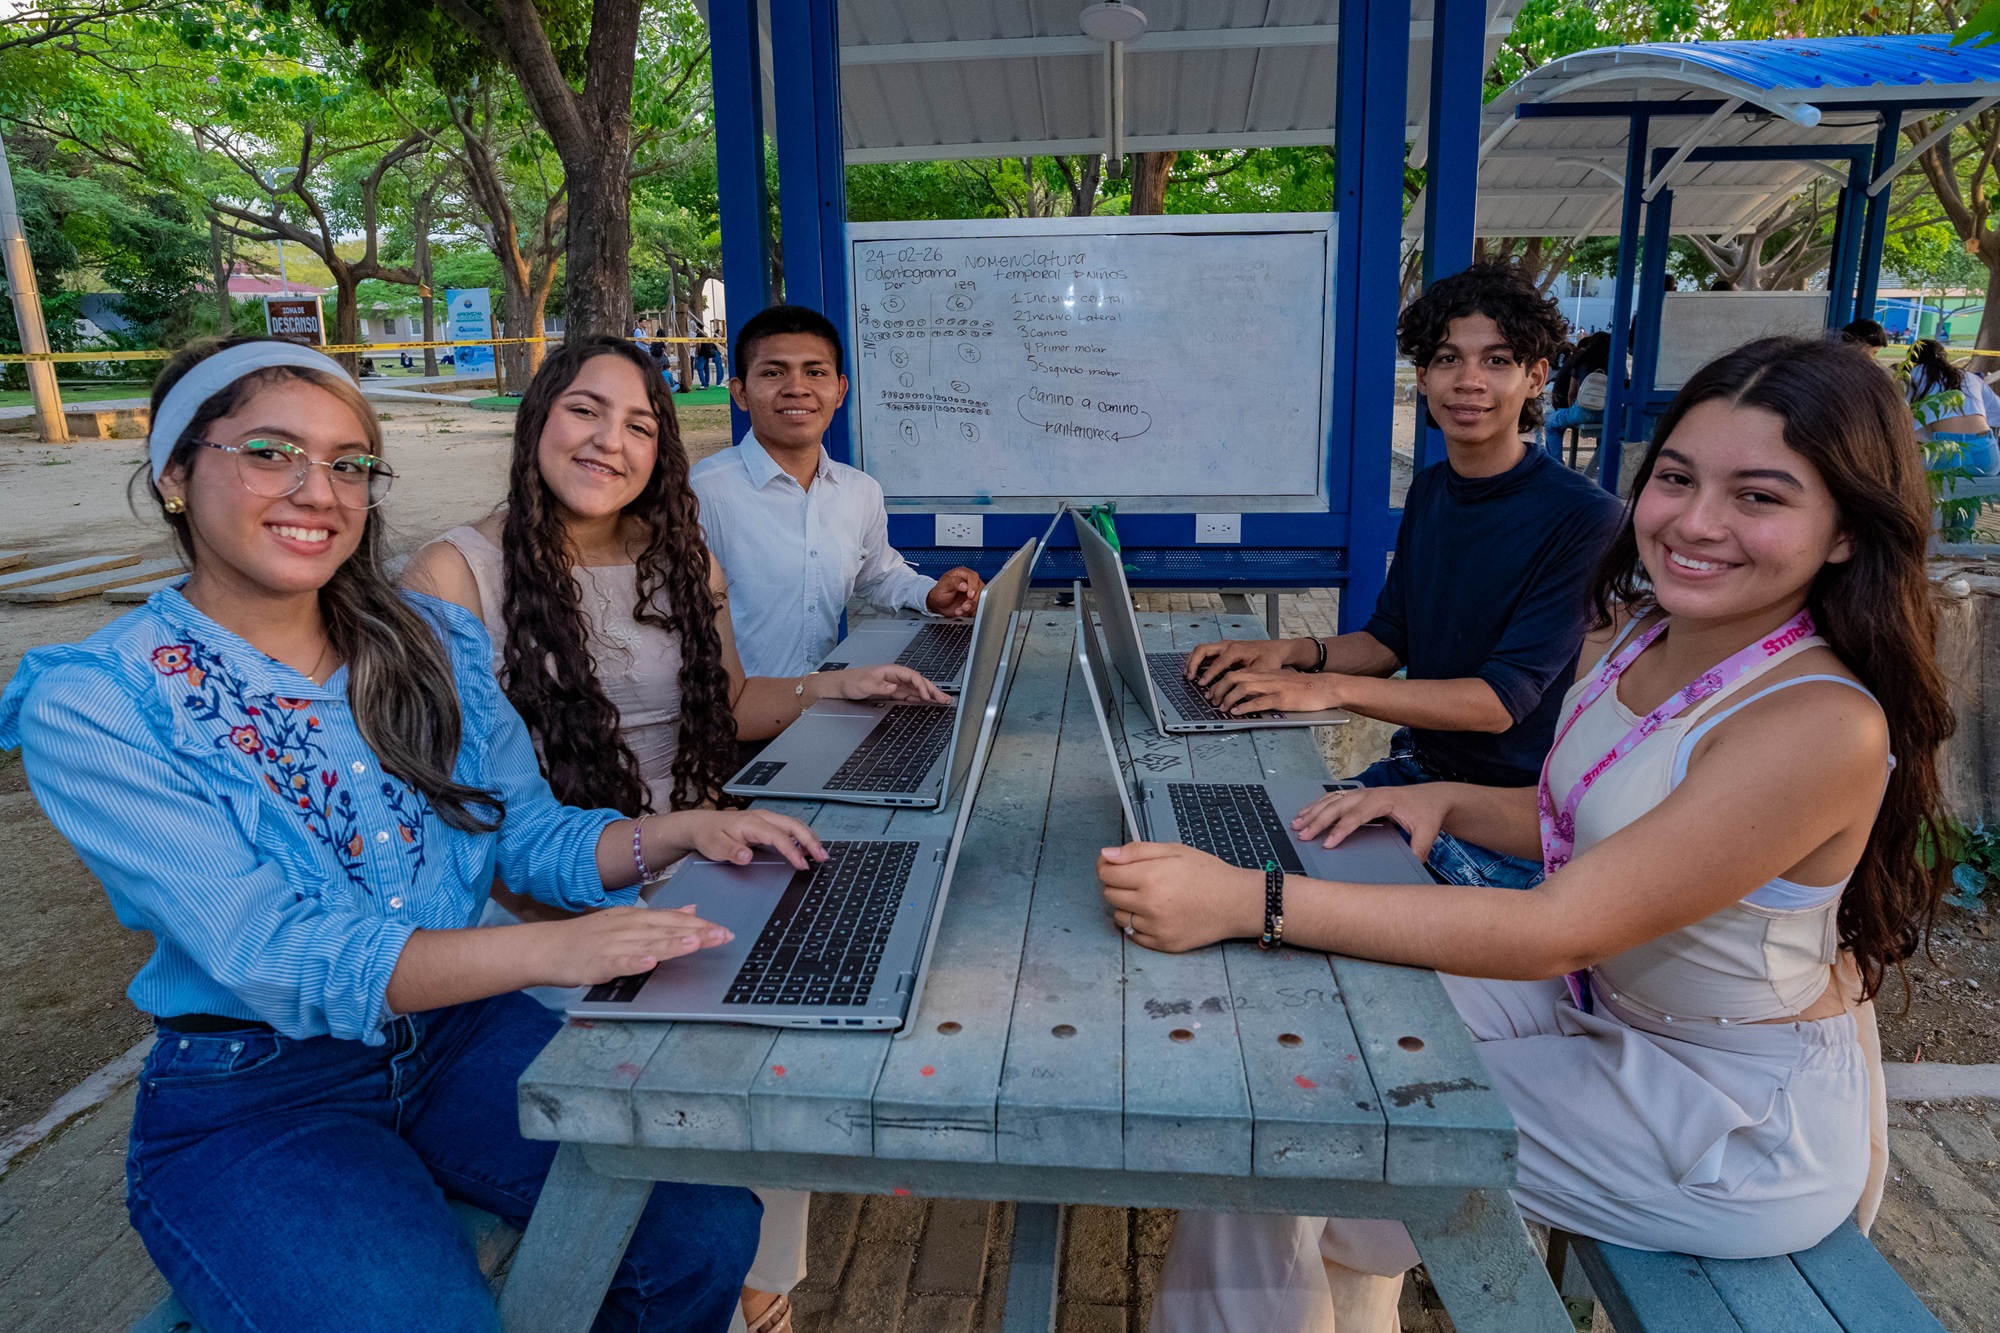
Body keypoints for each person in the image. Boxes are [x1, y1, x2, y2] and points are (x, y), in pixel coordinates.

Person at [1105, 335, 1949, 1331]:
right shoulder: (1644, 632)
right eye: (1673, 478)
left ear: (1845, 530)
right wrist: (1444, 803)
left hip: (1721, 1121)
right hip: (1600, 1017)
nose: (1695, 521)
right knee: (1288, 1024)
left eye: (1757, 497)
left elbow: (1560, 925)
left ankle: (1319, 1272)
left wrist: (1251, 898)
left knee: (1280, 1097)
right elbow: (1609, 824)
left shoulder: (1816, 722)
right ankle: (1335, 1284)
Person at [0, 337, 818, 1332]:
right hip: (262, 1091)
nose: (318, 491)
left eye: (349, 463)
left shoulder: (429, 643)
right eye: (269, 452)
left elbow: (526, 837)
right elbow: (269, 949)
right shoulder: (100, 700)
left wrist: (679, 834)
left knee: (703, 1233)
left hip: (458, 1033)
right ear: (175, 472)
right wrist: (558, 945)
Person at [403, 335, 946, 1333]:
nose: (610, 440)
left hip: (681, 855)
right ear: (535, 419)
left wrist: (837, 685)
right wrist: (616, 913)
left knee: (812, 1010)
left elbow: (732, 703)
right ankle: (727, 1283)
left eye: (640, 424)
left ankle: (760, 1279)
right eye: (584, 411)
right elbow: (466, 819)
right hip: (544, 898)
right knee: (719, 1068)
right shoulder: (454, 572)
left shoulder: (678, 552)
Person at [1183, 263, 1623, 889]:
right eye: (1448, 359)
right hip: (1411, 775)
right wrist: (1288, 653)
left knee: (1266, 900)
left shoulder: (1586, 518)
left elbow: (1500, 702)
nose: (1468, 381)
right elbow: (1390, 641)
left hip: (1499, 824)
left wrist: (1329, 689)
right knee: (1220, 845)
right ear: (1423, 378)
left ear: (1535, 378)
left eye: (1497, 362)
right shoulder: (1431, 491)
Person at [690, 304, 985, 679]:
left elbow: (877, 575)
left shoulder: (859, 491)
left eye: (815, 372)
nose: (797, 388)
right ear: (741, 392)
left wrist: (929, 596)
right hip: (730, 721)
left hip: (822, 706)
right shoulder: (702, 494)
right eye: (773, 372)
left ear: (839, 390)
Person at [693, 319, 724, 389]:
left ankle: (703, 384)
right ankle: (707, 383)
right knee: (706, 368)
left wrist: (694, 347)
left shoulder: (699, 334)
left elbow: (698, 344)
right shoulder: (705, 334)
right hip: (707, 354)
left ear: (697, 327)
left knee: (700, 368)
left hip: (702, 354)